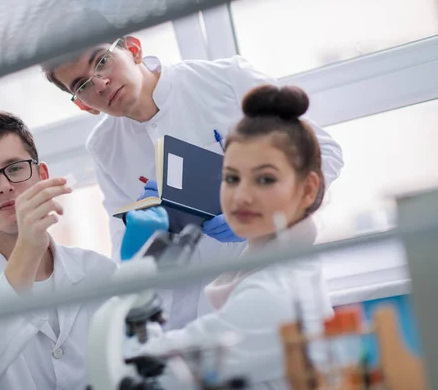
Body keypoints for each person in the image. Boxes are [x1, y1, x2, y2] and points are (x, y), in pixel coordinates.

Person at [43, 33, 343, 329]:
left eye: (102, 61)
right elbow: (124, 241)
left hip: (276, 283)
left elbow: (325, 154)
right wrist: (144, 244)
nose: (99, 83)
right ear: (83, 105)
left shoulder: (226, 80)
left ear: (133, 49)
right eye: (82, 85)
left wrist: (268, 216)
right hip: (188, 313)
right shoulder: (104, 146)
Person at [123, 84, 334, 388]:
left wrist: (134, 276)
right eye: (231, 178)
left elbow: (149, 371)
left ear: (308, 189)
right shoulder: (255, 270)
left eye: (265, 179)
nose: (241, 196)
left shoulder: (273, 295)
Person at [0, 108, 117, 390]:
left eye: (15, 168)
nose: (4, 186)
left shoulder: (97, 271)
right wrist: (27, 249)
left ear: (42, 174)